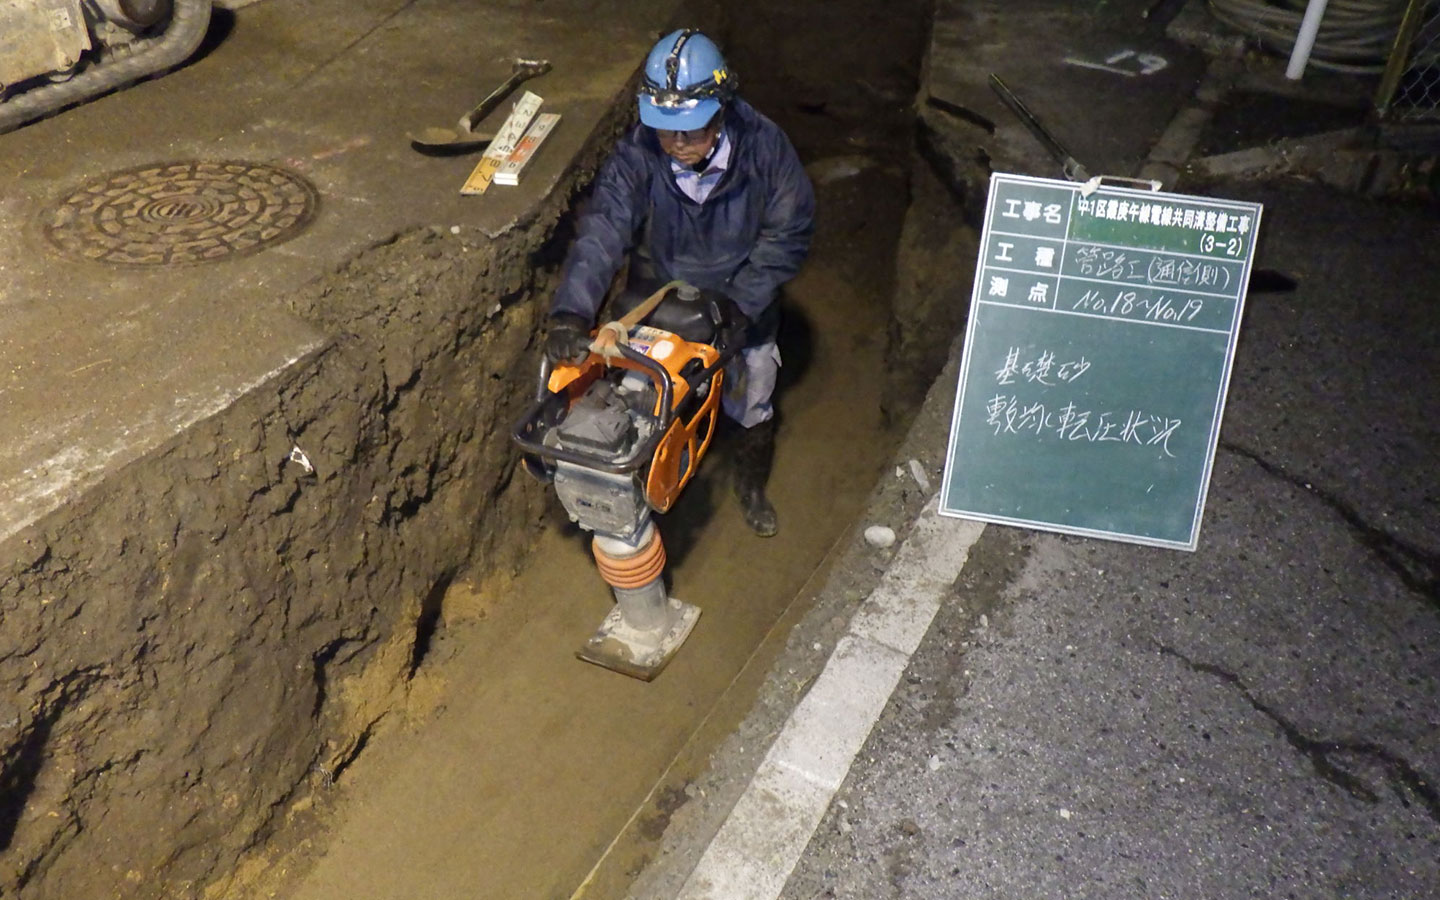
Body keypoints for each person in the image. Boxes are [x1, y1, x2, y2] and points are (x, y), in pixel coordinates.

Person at [543, 28, 815, 538]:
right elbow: (603, 229)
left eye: (691, 129)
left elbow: (789, 233)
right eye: (668, 130)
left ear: (722, 108)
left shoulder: (764, 148)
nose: (679, 142)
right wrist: (570, 312)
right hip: (659, 296)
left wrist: (742, 304)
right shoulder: (638, 154)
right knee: (638, 391)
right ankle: (645, 480)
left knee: (752, 391)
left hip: (739, 303)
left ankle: (751, 485)